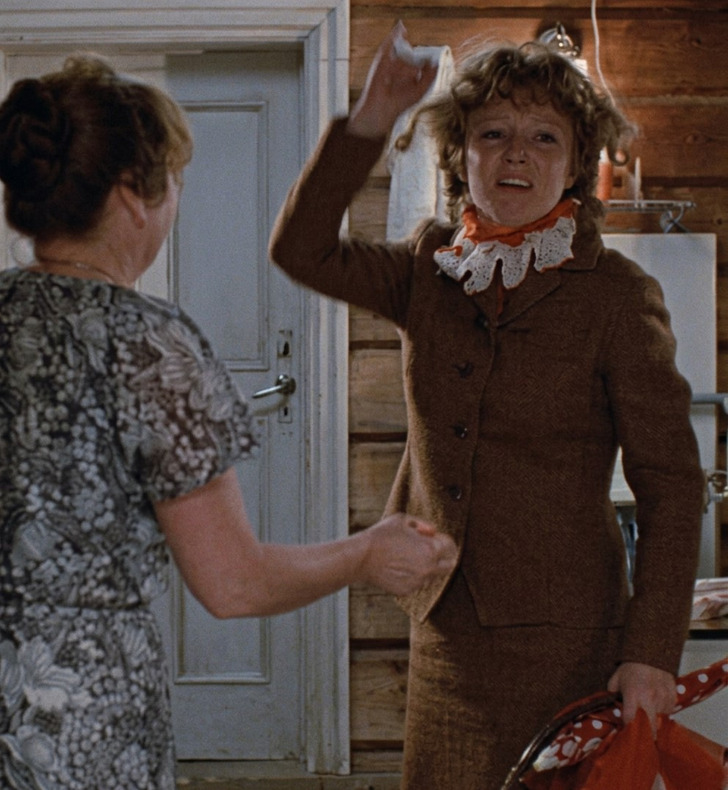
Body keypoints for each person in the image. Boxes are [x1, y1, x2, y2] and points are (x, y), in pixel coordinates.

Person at [0, 54, 458, 790]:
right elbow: (233, 583)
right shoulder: (148, 345)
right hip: (78, 728)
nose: (177, 199)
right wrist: (366, 554)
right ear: (133, 195)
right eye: (174, 180)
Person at [268, 21, 706, 789]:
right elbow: (299, 250)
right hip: (446, 630)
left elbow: (671, 486)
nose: (516, 155)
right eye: (493, 133)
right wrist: (370, 122)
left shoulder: (615, 296)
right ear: (460, 153)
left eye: (544, 137)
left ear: (576, 164)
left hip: (570, 641)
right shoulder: (428, 268)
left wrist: (650, 654)